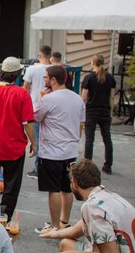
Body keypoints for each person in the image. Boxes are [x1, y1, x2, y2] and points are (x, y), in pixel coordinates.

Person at [0, 56, 35, 221]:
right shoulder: (22, 94)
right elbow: (27, 123)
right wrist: (34, 142)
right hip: (14, 148)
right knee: (11, 187)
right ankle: (4, 219)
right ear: (18, 74)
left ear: (0, 73)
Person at [33, 65, 85, 235]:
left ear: (53, 80)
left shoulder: (49, 99)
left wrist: (41, 98)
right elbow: (81, 124)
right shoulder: (77, 98)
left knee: (53, 189)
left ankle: (54, 226)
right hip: (70, 150)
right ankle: (65, 221)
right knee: (67, 188)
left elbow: (35, 117)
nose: (45, 80)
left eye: (46, 77)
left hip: (52, 151)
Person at [81, 54, 116, 175]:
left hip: (91, 111)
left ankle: (87, 166)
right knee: (107, 138)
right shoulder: (110, 78)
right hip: (105, 111)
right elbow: (112, 97)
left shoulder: (89, 78)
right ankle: (108, 165)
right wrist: (111, 112)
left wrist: (82, 113)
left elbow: (84, 98)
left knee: (89, 139)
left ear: (92, 63)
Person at [23, 45, 52, 179]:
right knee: (48, 138)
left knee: (37, 139)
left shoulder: (31, 69)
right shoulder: (54, 69)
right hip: (51, 107)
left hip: (35, 107)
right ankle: (46, 166)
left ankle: (38, 168)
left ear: (40, 56)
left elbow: (25, 89)